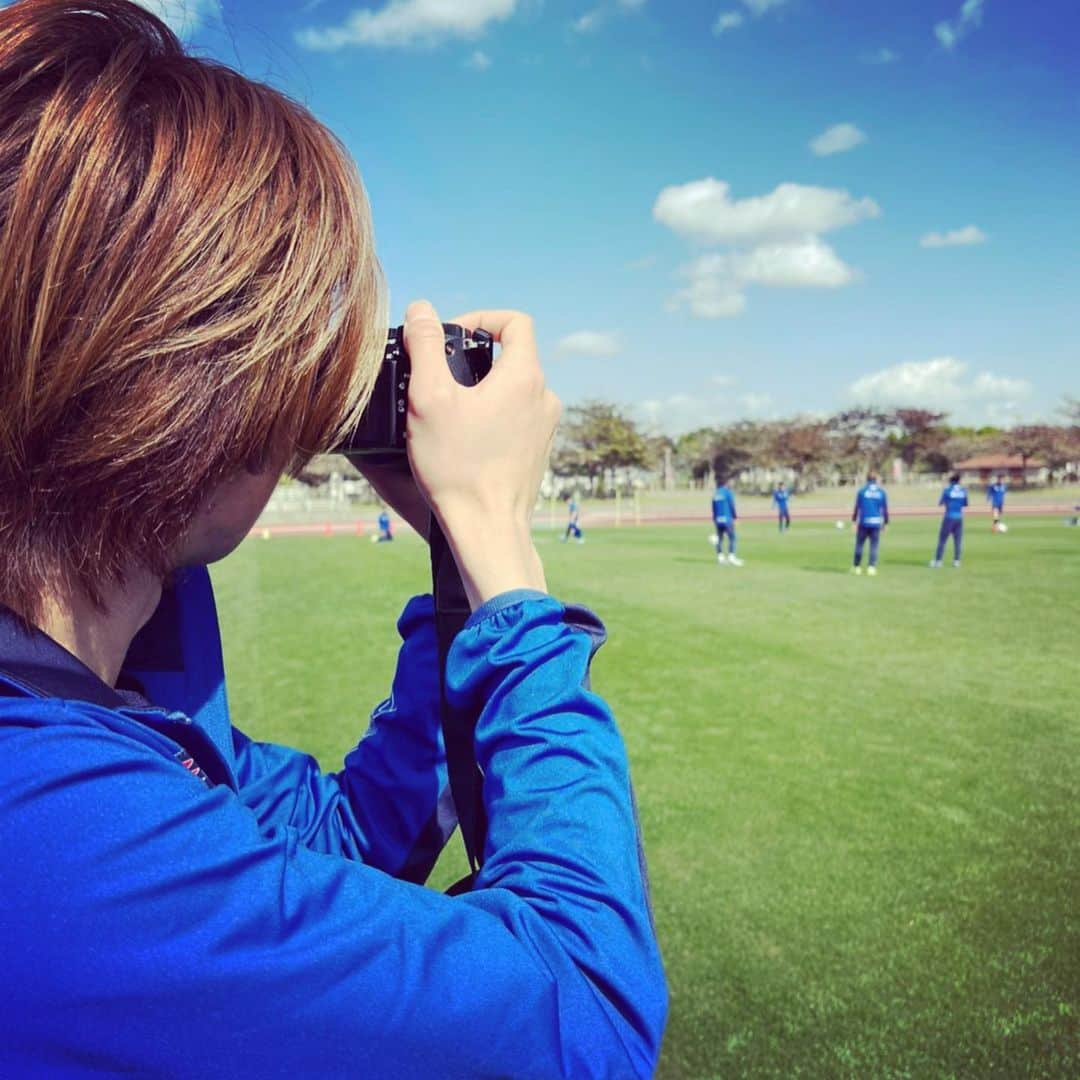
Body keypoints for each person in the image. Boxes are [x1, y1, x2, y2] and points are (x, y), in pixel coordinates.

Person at [0, 4, 666, 1077]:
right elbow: (578, 1020)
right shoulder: (54, 838)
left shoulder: (84, 723)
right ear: (191, 396)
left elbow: (356, 842)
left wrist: (454, 559)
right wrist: (500, 538)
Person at [850, 472, 889, 575]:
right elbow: (884, 509)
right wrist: (885, 523)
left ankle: (857, 567)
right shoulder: (881, 492)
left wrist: (854, 521)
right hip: (876, 523)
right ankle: (871, 567)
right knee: (874, 546)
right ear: (876, 480)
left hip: (864, 522)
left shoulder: (862, 491)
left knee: (859, 545)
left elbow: (857, 507)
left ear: (867, 479)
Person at [931, 472, 969, 567]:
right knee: (958, 541)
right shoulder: (963, 491)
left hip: (949, 517)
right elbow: (965, 504)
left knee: (942, 540)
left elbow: (941, 503)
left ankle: (938, 561)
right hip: (959, 517)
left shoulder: (947, 490)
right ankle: (956, 561)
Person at [711, 478, 743, 565]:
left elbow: (713, 508)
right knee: (732, 538)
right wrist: (735, 517)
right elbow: (732, 505)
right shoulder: (728, 493)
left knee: (719, 539)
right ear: (726, 483)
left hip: (718, 520)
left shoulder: (715, 494)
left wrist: (714, 519)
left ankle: (720, 558)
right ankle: (731, 557)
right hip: (727, 519)